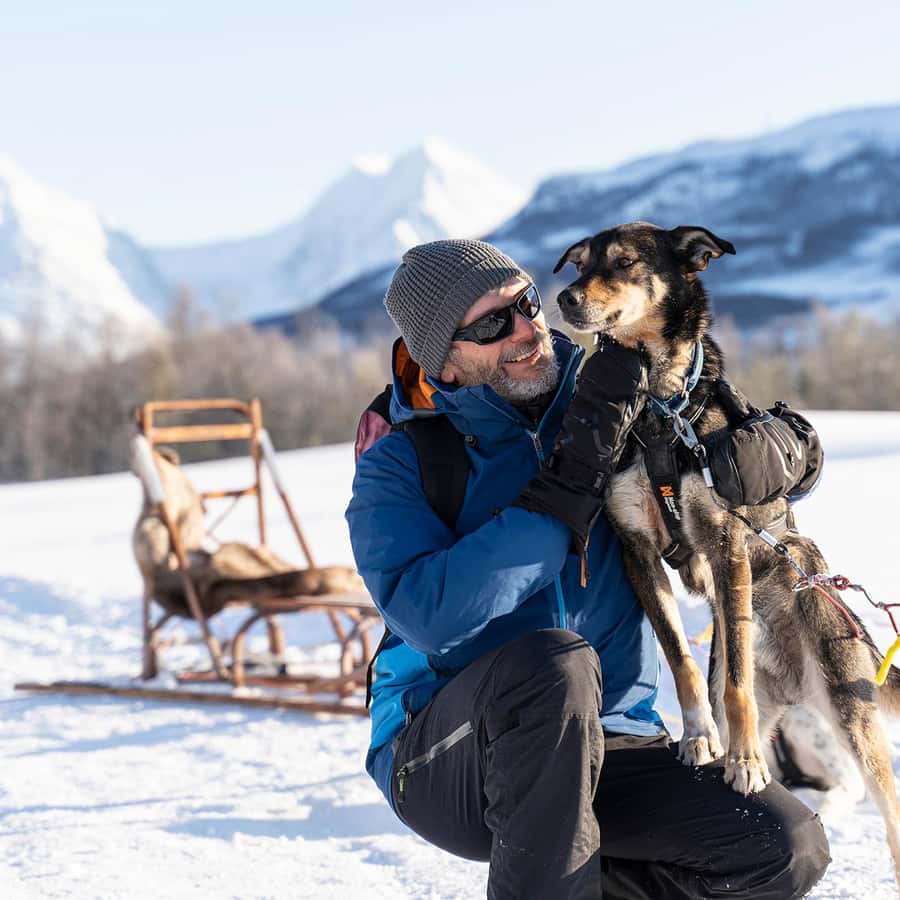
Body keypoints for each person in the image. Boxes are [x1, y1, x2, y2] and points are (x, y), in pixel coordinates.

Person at [346, 239, 830, 900]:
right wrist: (562, 493)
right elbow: (430, 616)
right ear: (446, 363)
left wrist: (786, 453)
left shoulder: (613, 392)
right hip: (451, 755)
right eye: (491, 324)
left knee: (782, 846)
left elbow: (716, 416)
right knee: (554, 664)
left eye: (526, 305)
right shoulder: (403, 460)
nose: (524, 330)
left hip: (618, 739)